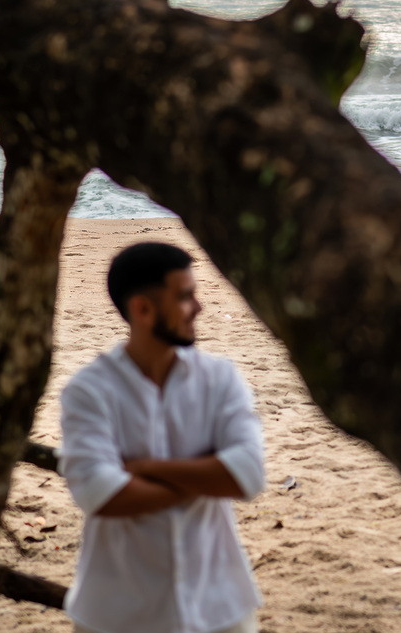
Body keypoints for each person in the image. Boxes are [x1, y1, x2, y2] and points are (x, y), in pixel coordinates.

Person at [59, 242, 265, 633]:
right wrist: (203, 480)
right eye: (185, 297)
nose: (199, 307)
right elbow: (100, 495)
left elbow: (248, 476)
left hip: (219, 607)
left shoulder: (220, 379)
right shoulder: (89, 391)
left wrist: (144, 469)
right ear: (143, 309)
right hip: (117, 614)